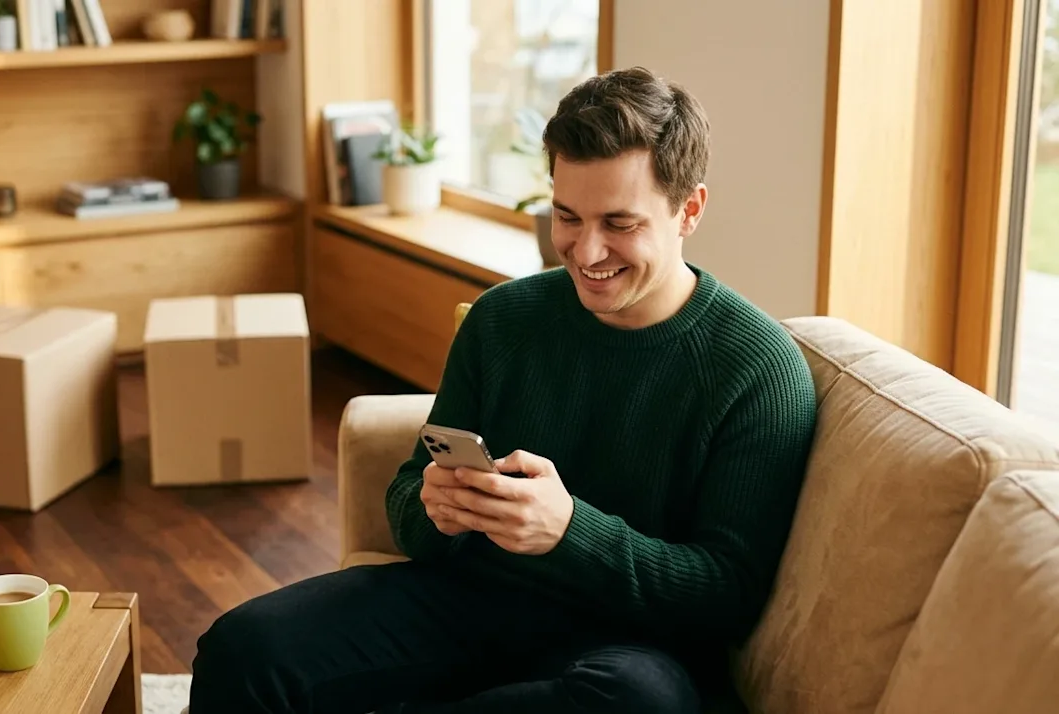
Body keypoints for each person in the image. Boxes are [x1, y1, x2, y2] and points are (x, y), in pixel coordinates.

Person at [187, 66, 818, 714]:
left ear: (689, 210)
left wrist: (570, 530)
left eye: (620, 223)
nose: (585, 250)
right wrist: (432, 506)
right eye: (567, 216)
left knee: (636, 704)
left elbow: (728, 595)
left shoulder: (758, 370)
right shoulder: (504, 319)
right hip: (470, 599)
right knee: (243, 647)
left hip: (628, 645)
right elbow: (408, 495)